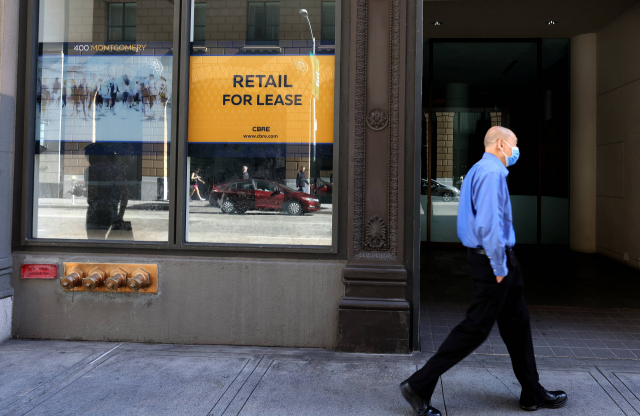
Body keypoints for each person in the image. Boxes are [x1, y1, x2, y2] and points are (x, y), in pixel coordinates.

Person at [399, 126, 567, 416]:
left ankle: (532, 393)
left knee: (518, 325)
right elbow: (489, 224)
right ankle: (418, 385)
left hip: (497, 260)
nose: (516, 151)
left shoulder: (478, 169)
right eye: (515, 144)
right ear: (501, 144)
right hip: (494, 261)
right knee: (473, 330)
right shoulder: (491, 173)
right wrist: (500, 266)